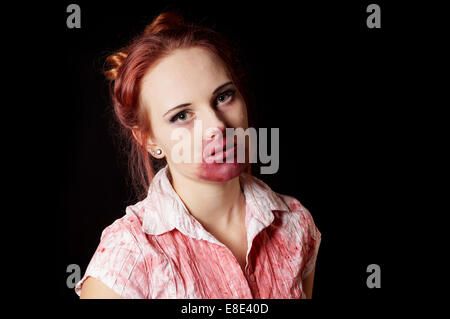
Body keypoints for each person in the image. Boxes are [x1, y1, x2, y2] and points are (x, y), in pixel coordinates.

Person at [75, 10, 321, 299]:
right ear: (148, 138)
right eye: (181, 115)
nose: (217, 126)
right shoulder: (127, 259)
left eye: (223, 97)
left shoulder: (296, 223)